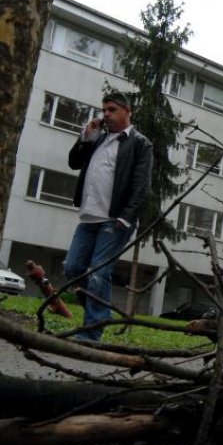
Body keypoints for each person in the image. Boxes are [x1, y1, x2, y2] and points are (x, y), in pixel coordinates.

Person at [63, 91, 153, 340]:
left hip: (115, 221)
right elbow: (73, 162)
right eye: (104, 110)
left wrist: (125, 219)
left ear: (127, 111)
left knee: (98, 274)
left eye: (112, 110)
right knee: (72, 269)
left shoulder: (139, 143)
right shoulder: (97, 139)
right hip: (89, 217)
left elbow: (141, 186)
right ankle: (100, 315)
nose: (106, 115)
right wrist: (86, 136)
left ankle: (91, 333)